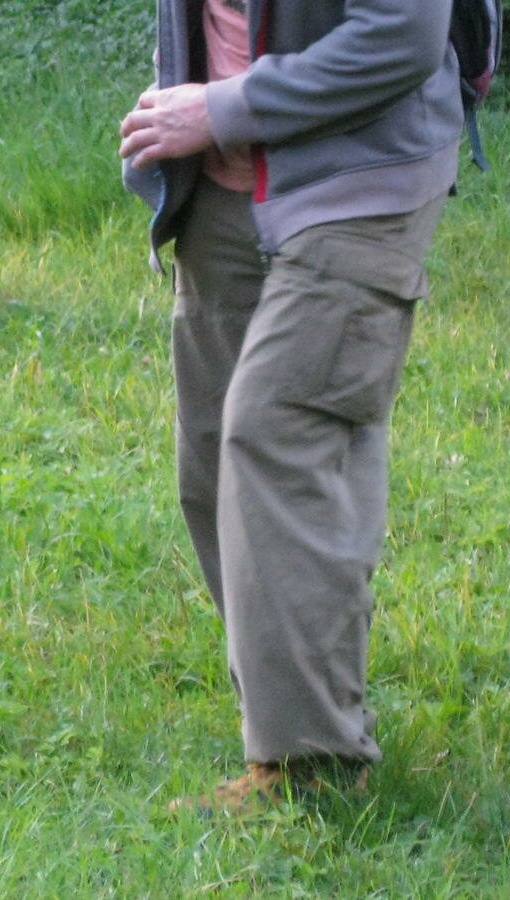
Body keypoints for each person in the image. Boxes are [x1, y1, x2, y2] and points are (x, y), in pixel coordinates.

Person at [119, 1, 464, 812]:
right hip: (224, 179)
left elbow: (402, 38)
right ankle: (295, 711)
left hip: (358, 180)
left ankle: (312, 767)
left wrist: (222, 108)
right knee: (214, 462)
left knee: (279, 435)